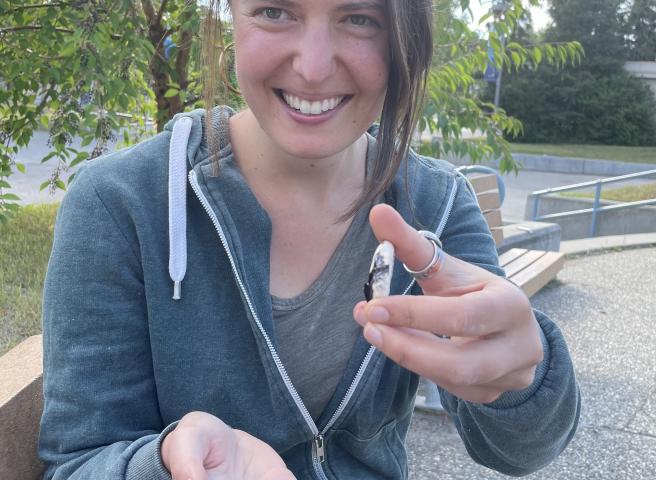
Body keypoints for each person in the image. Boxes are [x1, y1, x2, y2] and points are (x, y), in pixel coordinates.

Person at [38, 1, 580, 479]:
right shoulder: (120, 204)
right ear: (231, 15)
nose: (314, 67)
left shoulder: (435, 204)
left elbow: (519, 450)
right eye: (275, 11)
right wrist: (166, 465)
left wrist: (521, 379)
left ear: (402, 38)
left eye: (360, 18)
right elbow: (79, 462)